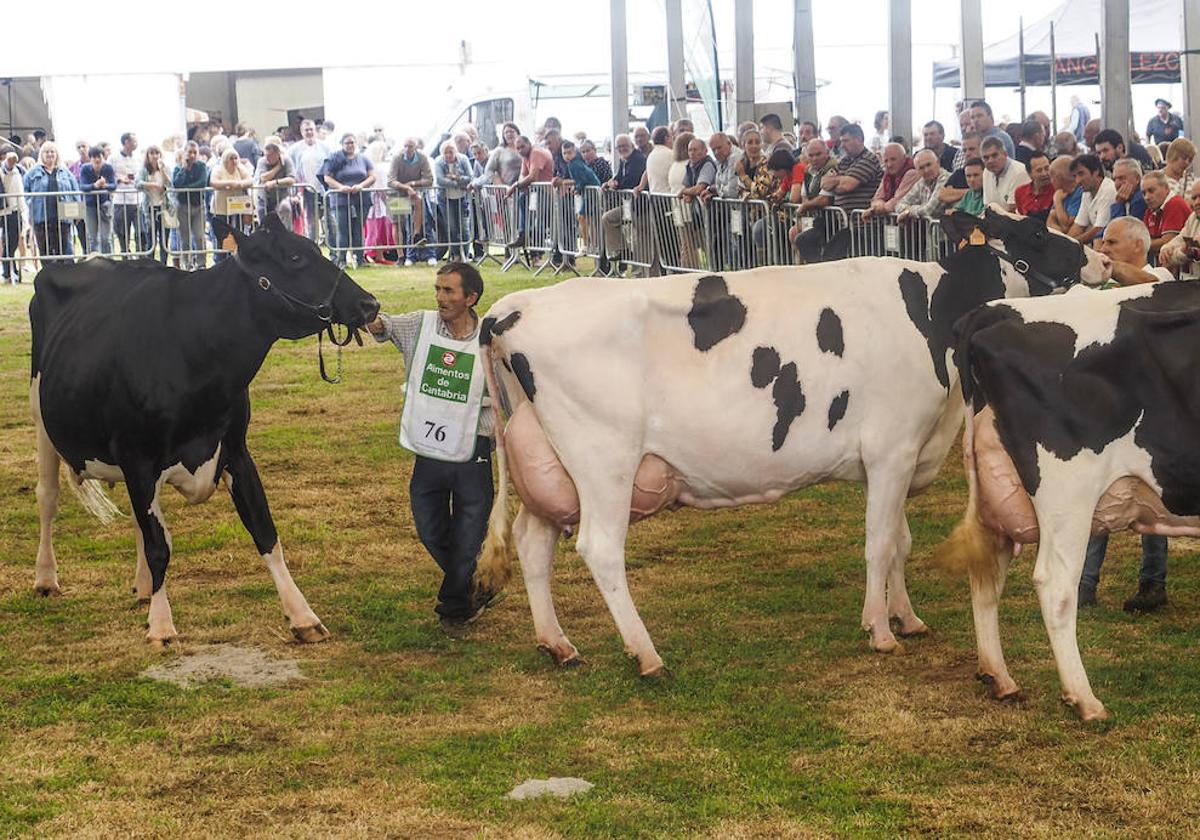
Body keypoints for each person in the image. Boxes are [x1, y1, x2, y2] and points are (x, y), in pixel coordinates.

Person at [364, 262, 500, 632]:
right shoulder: (420, 324)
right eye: (438, 289)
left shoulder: (491, 339)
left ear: (471, 298)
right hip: (428, 453)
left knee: (470, 535)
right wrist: (368, 317)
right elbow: (385, 326)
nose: (439, 297)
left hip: (473, 452)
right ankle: (474, 583)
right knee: (430, 528)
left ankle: (454, 606)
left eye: (448, 291)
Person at [1080, 215, 1175, 612]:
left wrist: (1108, 269)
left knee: (1153, 495)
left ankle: (1153, 584)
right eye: (1102, 243)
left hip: (1153, 405)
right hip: (1109, 401)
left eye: (1112, 243)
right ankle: (1084, 584)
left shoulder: (1162, 275)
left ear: (1139, 245)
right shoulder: (1094, 285)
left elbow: (1154, 290)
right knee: (1094, 491)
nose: (1104, 250)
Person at [792, 123, 882, 262]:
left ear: (859, 139)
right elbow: (825, 183)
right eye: (841, 141)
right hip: (843, 224)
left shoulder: (868, 159)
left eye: (846, 141)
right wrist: (839, 182)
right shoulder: (845, 161)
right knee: (805, 241)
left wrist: (836, 182)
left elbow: (847, 186)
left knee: (839, 258)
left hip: (864, 225)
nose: (842, 145)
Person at [321, 133, 375, 268]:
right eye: (347, 143)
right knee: (342, 230)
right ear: (342, 144)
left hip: (361, 199)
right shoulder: (335, 158)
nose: (350, 145)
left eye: (352, 142)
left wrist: (361, 185)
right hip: (340, 200)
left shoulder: (364, 159)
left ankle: (360, 259)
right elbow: (327, 178)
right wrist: (341, 187)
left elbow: (372, 176)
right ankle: (341, 260)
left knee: (358, 230)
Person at [23, 142, 79, 260]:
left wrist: (77, 212)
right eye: (46, 152)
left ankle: (66, 275)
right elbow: (24, 192)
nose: (50, 154)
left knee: (65, 250)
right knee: (45, 250)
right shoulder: (32, 173)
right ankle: (49, 275)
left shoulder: (66, 172)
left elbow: (75, 191)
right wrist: (30, 204)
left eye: (52, 151)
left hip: (63, 218)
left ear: (57, 154)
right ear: (41, 154)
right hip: (41, 218)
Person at [599, 133, 647, 269]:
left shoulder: (638, 159)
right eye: (619, 147)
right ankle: (622, 250)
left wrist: (616, 185)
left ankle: (643, 272)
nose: (622, 149)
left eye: (624, 146)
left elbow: (632, 179)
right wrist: (609, 183)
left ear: (631, 145)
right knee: (608, 218)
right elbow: (619, 176)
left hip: (641, 206)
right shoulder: (624, 159)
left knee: (643, 243)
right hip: (629, 206)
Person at [389, 136, 435, 266]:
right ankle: (400, 256)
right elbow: (390, 181)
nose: (407, 149)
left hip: (414, 192)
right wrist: (406, 187)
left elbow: (429, 180)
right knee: (397, 224)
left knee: (419, 201)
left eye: (410, 146)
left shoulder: (422, 158)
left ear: (416, 147)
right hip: (397, 193)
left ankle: (417, 235)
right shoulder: (396, 158)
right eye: (405, 146)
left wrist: (413, 184)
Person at [289, 119, 330, 241]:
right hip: (307, 190)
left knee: (330, 220)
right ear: (302, 132)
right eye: (306, 130)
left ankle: (334, 252)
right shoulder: (294, 149)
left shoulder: (325, 147)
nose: (309, 132)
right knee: (311, 222)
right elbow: (292, 170)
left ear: (315, 131)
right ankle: (313, 248)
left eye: (311, 129)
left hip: (325, 189)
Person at [209, 148, 253, 260]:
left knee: (237, 233)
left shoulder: (240, 168)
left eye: (235, 158)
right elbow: (213, 182)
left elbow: (249, 180)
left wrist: (240, 184)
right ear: (225, 160)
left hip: (237, 208)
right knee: (222, 237)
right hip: (221, 208)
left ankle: (236, 259)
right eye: (231, 158)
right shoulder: (218, 169)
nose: (234, 161)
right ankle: (220, 259)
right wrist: (229, 183)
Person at [433, 141, 474, 262]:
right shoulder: (439, 162)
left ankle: (465, 255)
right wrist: (458, 184)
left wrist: (456, 177)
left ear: (455, 152)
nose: (448, 155)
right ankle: (456, 254)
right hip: (445, 199)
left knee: (464, 227)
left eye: (450, 152)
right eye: (445, 153)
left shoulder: (463, 159)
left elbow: (470, 177)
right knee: (451, 228)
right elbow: (440, 181)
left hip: (462, 198)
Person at [171, 140, 209, 269]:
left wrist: (186, 187)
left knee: (199, 236)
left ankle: (201, 264)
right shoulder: (178, 167)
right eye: (189, 152)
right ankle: (186, 263)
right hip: (182, 207)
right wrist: (184, 168)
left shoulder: (202, 166)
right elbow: (176, 184)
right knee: (185, 238)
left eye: (195, 152)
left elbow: (202, 183)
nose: (192, 155)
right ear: (184, 153)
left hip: (198, 206)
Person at [1141, 170, 1190, 262]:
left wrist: (1140, 244)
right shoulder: (1150, 210)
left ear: (1166, 188)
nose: (1147, 197)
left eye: (1151, 191)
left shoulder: (1175, 204)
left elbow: (1167, 241)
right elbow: (1143, 238)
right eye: (1144, 193)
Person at [1066, 154, 1115, 244]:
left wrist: (1071, 244)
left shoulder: (1108, 189)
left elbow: (1099, 230)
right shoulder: (1086, 192)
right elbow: (1078, 226)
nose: (1077, 180)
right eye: (1075, 176)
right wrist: (1064, 242)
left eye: (1081, 174)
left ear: (1096, 171)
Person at [862, 143, 917, 219]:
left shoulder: (912, 172)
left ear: (904, 158)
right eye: (886, 161)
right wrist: (877, 207)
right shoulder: (887, 175)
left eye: (893, 159)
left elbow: (898, 201)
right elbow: (877, 198)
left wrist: (876, 209)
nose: (889, 164)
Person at [1158, 180, 1200, 279]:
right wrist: (1167, 249)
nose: (1197, 202)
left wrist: (1184, 253)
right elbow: (1169, 254)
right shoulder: (1194, 217)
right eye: (1194, 198)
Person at [136, 145, 171, 263]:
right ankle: (150, 265)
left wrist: (163, 171)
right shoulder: (144, 170)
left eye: (157, 153)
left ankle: (163, 264)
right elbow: (138, 184)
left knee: (164, 240)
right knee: (151, 240)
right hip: (149, 208)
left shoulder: (165, 168)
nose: (155, 156)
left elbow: (171, 185)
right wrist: (153, 185)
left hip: (164, 208)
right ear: (147, 155)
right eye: (152, 153)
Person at [78, 145, 116, 254]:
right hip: (90, 206)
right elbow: (82, 186)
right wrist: (95, 185)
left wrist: (105, 185)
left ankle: (108, 263)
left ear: (103, 157)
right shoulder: (85, 168)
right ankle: (94, 264)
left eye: (99, 156)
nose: (97, 160)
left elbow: (113, 185)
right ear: (90, 159)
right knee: (92, 238)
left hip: (105, 205)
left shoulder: (108, 168)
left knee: (106, 238)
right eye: (94, 157)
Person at [895, 149, 951, 220]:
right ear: (917, 171)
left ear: (938, 163)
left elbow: (929, 210)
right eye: (921, 168)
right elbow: (898, 205)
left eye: (929, 165)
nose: (926, 170)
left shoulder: (946, 178)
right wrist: (911, 210)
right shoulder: (921, 182)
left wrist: (908, 211)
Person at [254, 139, 297, 229]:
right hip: (264, 198)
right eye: (266, 155)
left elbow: (291, 179)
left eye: (270, 155)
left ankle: (285, 237)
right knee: (263, 220)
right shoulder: (262, 161)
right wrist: (278, 167)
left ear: (278, 154)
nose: (267, 158)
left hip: (282, 197)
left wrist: (275, 182)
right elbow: (263, 178)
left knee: (285, 208)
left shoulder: (287, 161)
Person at [110, 132, 141, 256]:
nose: (136, 143)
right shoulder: (113, 158)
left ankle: (140, 257)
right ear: (126, 142)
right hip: (120, 201)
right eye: (134, 141)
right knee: (122, 232)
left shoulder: (138, 159)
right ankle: (125, 256)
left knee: (141, 232)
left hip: (136, 199)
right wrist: (119, 179)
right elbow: (109, 176)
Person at [980, 136, 1029, 211]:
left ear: (1005, 154)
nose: (990, 161)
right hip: (995, 219)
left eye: (994, 155)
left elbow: (1012, 211)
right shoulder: (987, 172)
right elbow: (988, 207)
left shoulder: (1019, 172)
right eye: (986, 158)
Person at [0, 150, 25, 282]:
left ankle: (11, 270)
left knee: (13, 242)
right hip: (6, 211)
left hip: (17, 210)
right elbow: (6, 169)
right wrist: (8, 162)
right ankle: (8, 272)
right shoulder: (4, 170)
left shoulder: (19, 170)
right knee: (8, 243)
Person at [1013, 152, 1054, 222]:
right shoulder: (1020, 192)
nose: (1044, 174)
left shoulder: (1057, 190)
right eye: (1039, 170)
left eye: (1047, 168)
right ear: (1029, 174)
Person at [1048, 155, 1084, 233]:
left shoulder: (1080, 192)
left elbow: (1066, 227)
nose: (1051, 182)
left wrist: (1057, 202)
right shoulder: (1061, 192)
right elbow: (1051, 219)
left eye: (1051, 177)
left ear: (1058, 177)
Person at [1108, 158, 1146, 223]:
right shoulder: (1127, 197)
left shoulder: (1140, 199)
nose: (1117, 184)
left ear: (1137, 178)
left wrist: (1118, 204)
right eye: (1114, 179)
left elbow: (1121, 228)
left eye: (1121, 178)